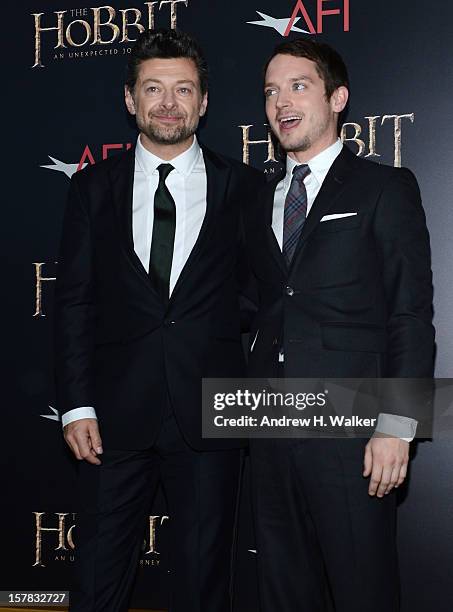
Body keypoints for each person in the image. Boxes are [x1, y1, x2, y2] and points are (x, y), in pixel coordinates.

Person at [54, 28, 263, 612]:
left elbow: (261, 293)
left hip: (210, 411)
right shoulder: (92, 188)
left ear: (203, 102)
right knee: (97, 578)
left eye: (183, 89)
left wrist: (210, 340)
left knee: (202, 581)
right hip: (113, 417)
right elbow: (73, 302)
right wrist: (76, 403)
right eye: (153, 89)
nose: (168, 103)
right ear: (130, 100)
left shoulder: (243, 187)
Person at [245, 39, 434, 611]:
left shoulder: (384, 188)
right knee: (282, 595)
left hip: (353, 432)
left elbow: (410, 314)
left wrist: (398, 424)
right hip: (268, 430)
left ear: (339, 97)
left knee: (363, 592)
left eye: (298, 85)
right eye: (271, 92)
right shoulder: (259, 200)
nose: (282, 102)